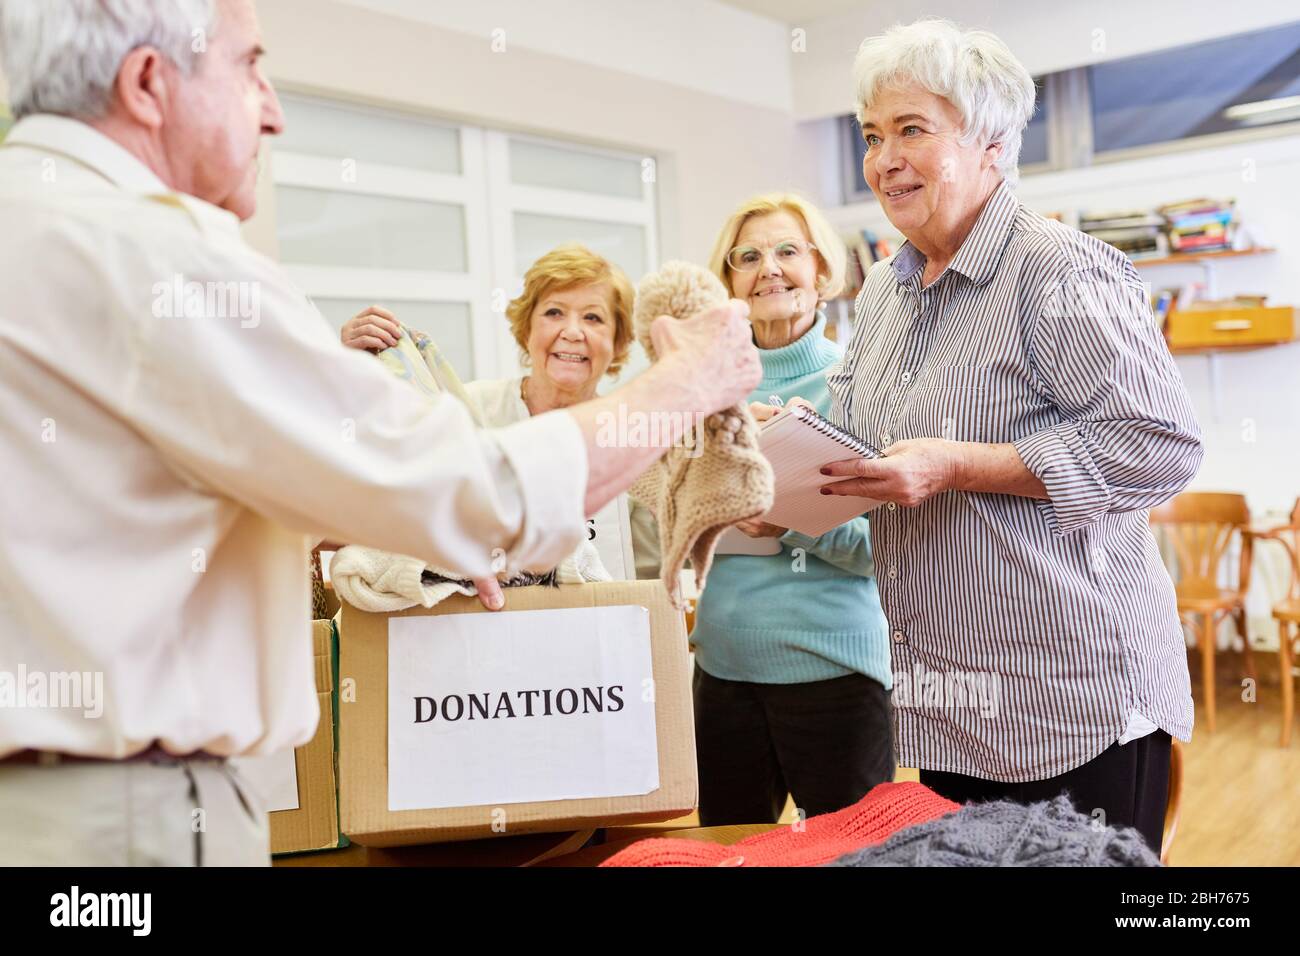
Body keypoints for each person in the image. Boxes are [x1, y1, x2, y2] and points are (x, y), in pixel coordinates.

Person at [0, 0, 760, 865]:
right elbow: (478, 495)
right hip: (126, 819)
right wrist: (689, 380)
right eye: (249, 67)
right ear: (147, 82)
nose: (273, 111)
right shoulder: (150, 255)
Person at [819, 18, 1203, 853]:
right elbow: (851, 434)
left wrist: (957, 464)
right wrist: (773, 452)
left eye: (912, 130)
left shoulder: (1061, 268)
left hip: (1074, 705)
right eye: (872, 135)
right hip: (949, 709)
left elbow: (1161, 445)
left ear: (992, 144)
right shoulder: (883, 291)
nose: (884, 160)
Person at [687, 194, 894, 826]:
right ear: (730, 282)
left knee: (848, 856)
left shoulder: (861, 384)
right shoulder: (703, 392)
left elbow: (889, 550)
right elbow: (669, 527)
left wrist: (791, 518)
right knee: (731, 854)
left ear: (821, 270)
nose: (768, 268)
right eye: (747, 257)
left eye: (787, 251)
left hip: (834, 671)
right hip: (723, 669)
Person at [340, 244, 635, 580]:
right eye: (554, 312)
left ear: (618, 340)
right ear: (527, 328)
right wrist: (345, 373)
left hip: (613, 610)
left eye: (593, 317)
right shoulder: (464, 409)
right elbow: (375, 486)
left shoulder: (635, 433)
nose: (571, 332)